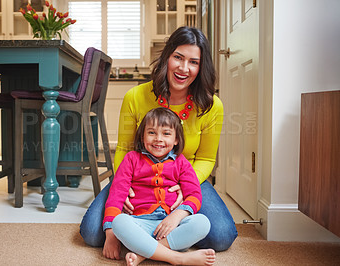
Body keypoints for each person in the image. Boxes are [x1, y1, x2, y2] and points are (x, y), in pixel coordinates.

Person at [80, 26, 238, 252]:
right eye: (178, 58)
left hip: (188, 177)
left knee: (221, 237)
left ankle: (147, 237)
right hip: (139, 176)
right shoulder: (135, 97)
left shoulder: (212, 106)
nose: (184, 68)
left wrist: (185, 191)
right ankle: (163, 235)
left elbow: (206, 158)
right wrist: (123, 186)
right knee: (94, 233)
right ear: (167, 57)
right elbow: (124, 148)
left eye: (193, 62)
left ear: (201, 67)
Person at [103, 107, 216, 265]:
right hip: (139, 222)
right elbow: (116, 195)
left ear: (176, 139)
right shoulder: (131, 159)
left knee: (202, 223)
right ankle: (178, 258)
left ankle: (143, 253)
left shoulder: (181, 162)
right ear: (142, 137)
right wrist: (110, 235)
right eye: (151, 133)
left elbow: (194, 195)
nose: (158, 139)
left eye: (166, 133)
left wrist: (176, 216)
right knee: (119, 222)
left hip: (170, 224)